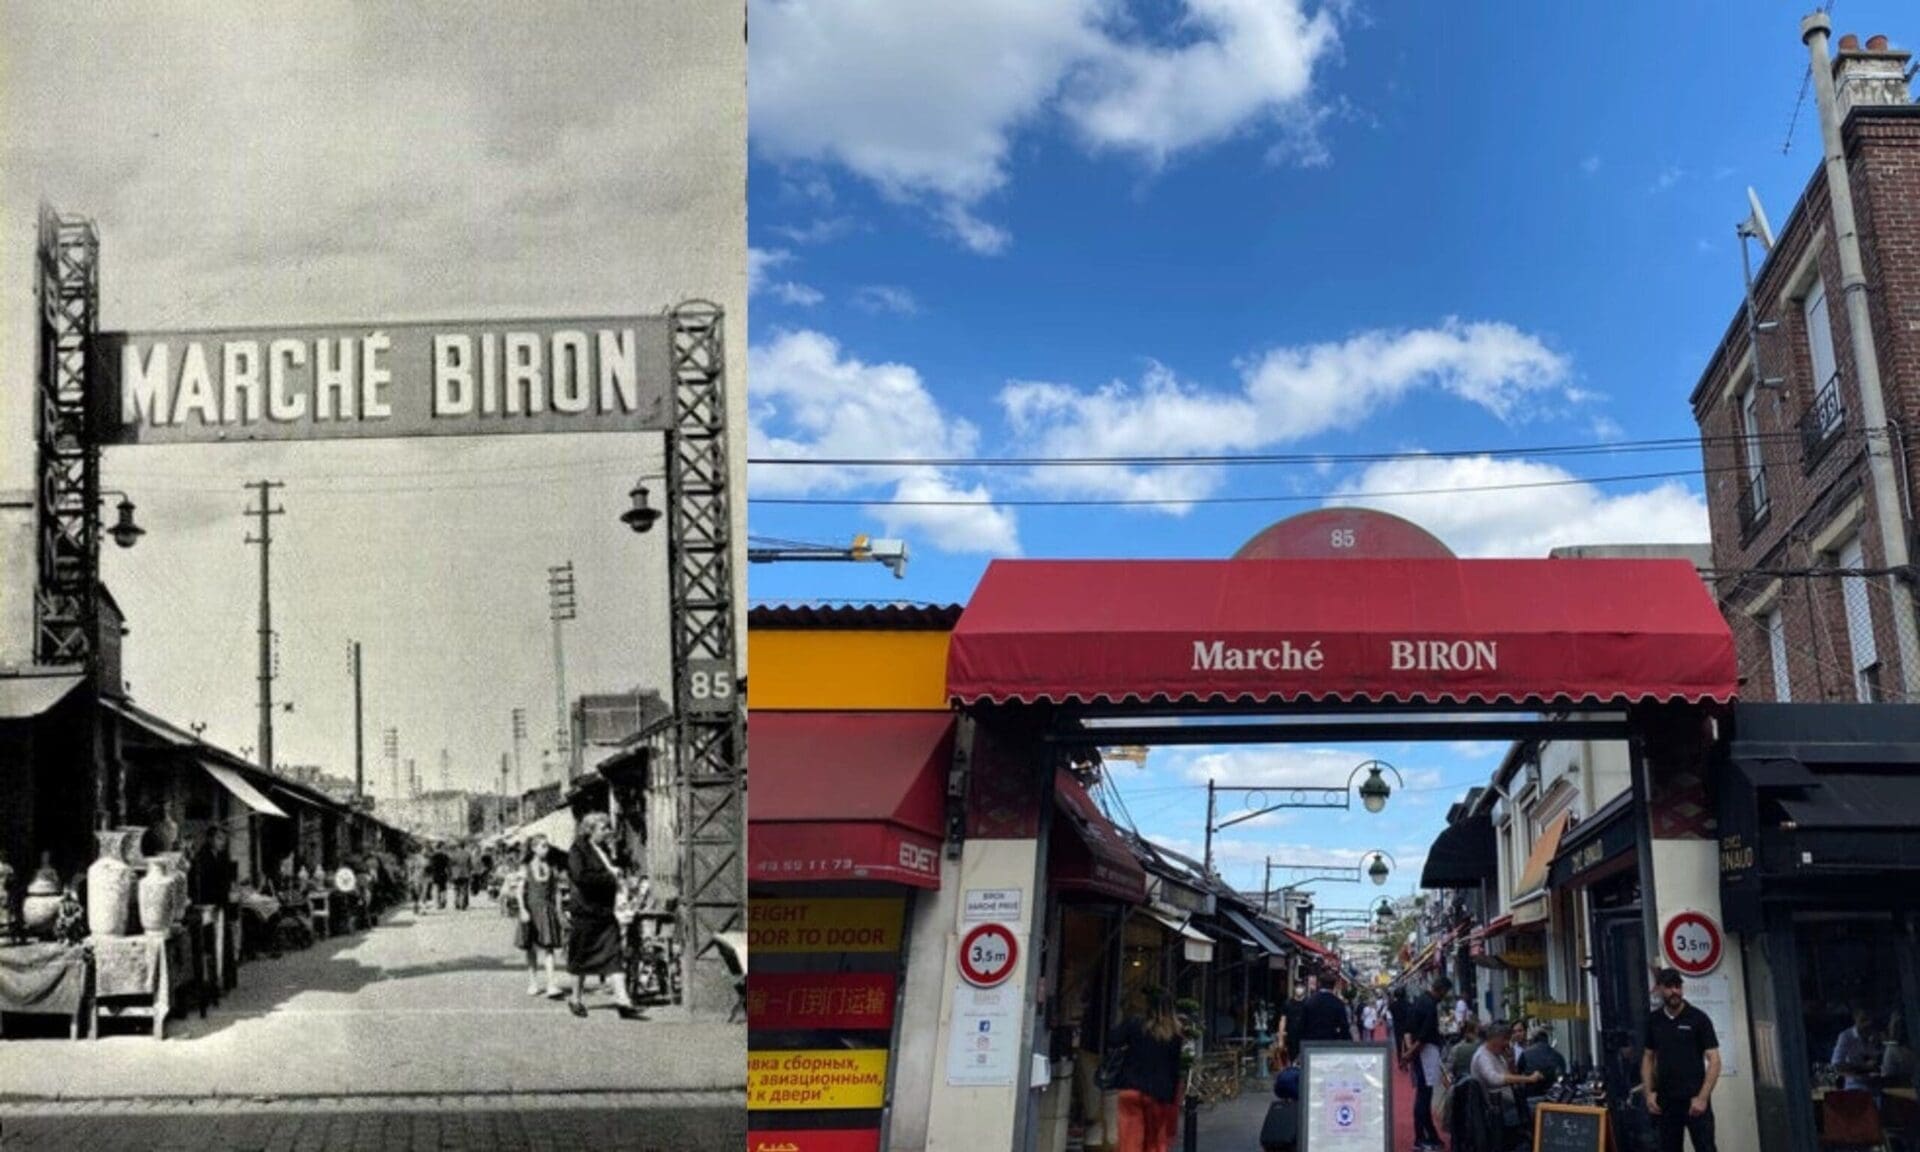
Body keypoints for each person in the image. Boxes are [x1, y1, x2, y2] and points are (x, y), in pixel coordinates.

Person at [566, 812, 637, 1019]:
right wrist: (610, 876)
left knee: (614, 954)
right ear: (590, 830)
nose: (608, 832)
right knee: (581, 957)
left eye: (608, 827)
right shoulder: (577, 850)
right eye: (603, 828)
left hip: (605, 912)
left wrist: (617, 874)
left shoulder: (604, 849)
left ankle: (622, 999)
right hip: (586, 911)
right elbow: (580, 877)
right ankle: (575, 998)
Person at [1642, 967, 1720, 1152]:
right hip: (1666, 1102)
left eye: (1678, 986)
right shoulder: (1654, 1020)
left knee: (1706, 1148)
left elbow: (1715, 1060)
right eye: (1669, 987)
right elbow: (1648, 1058)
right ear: (1660, 989)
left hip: (1694, 1100)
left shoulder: (1698, 1019)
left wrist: (1702, 1098)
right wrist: (1649, 1093)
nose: (1674, 991)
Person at [1109, 987, 1185, 1152]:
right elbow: (1175, 1067)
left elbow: (1113, 1039)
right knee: (1154, 1142)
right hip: (1158, 1093)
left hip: (1131, 1088)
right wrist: (1172, 1097)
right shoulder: (1175, 1034)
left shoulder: (1135, 1024)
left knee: (1129, 1141)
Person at [1401, 975, 1451, 1152]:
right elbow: (1424, 1035)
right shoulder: (1430, 1005)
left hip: (1419, 1052)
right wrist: (1410, 1053)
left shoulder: (1419, 1000)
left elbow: (1408, 1029)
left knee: (1423, 1095)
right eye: (1446, 992)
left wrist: (1409, 1050)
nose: (1445, 996)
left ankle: (1430, 1135)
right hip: (1426, 1052)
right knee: (1424, 1096)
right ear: (1442, 990)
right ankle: (1420, 1138)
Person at [517, 835, 566, 999]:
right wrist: (523, 910)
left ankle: (551, 984)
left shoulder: (551, 867)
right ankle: (533, 982)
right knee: (531, 947)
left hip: (547, 910)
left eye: (547, 846)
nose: (546, 849)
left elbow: (557, 890)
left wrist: (559, 910)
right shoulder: (526, 867)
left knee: (548, 947)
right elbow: (519, 891)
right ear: (534, 848)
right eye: (542, 846)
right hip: (531, 909)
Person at [1472, 1020, 1545, 1130]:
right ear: (1497, 1038)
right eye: (1505, 1039)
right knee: (1539, 1111)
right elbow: (1494, 1079)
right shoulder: (1483, 1057)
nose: (1507, 1043)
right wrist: (1529, 1079)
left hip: (1509, 1104)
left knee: (1541, 1102)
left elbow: (1510, 1077)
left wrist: (1510, 1062)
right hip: (1497, 1112)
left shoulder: (1497, 1055)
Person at [1832, 1009, 1879, 1091]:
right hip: (1854, 1088)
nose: (1867, 1024)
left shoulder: (1875, 1036)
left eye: (1871, 1020)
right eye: (1863, 1020)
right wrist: (1864, 1067)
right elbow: (1837, 1065)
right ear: (1855, 1018)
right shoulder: (1846, 1037)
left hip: (1876, 1086)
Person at [1298, 978, 1354, 1045]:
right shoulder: (1338, 1003)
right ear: (1334, 986)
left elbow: (1301, 1025)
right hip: (1330, 1043)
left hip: (1311, 1043)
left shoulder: (1309, 1002)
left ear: (1319, 984)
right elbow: (1344, 1028)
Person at [1517, 1026, 1567, 1098]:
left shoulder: (1525, 1054)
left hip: (1532, 1094)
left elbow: (1519, 1073)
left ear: (1533, 1039)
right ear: (1546, 1039)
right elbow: (1562, 1075)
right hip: (1553, 1096)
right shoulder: (1557, 1055)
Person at [1445, 1017, 1482, 1087]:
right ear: (1476, 1031)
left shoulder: (1456, 1048)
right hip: (1478, 1086)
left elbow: (1448, 1072)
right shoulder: (1482, 1047)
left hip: (1461, 1085)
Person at [449, 843, 472, 911]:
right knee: (464, 890)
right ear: (464, 846)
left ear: (458, 847)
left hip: (456, 874)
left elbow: (450, 864)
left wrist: (451, 873)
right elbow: (470, 865)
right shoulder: (467, 854)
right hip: (465, 874)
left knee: (456, 889)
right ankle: (463, 905)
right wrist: (469, 871)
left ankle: (457, 904)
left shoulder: (454, 854)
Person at [428, 845, 450, 910]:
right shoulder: (445, 856)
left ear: (436, 848)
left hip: (435, 874)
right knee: (443, 888)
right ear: (441, 848)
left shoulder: (433, 857)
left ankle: (438, 904)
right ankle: (443, 901)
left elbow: (430, 866)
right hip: (443, 874)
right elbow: (448, 866)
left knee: (436, 889)